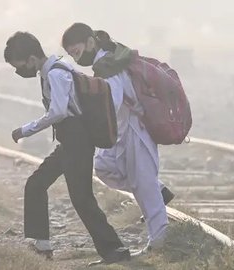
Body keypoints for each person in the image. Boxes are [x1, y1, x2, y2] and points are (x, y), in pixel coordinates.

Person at [4, 31, 130, 264]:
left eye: (20, 66)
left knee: (81, 198)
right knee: (36, 184)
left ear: (32, 59)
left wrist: (26, 130)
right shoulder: (53, 69)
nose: (20, 71)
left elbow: (59, 111)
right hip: (70, 141)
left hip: (77, 140)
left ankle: (115, 250)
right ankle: (41, 246)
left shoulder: (55, 74)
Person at [61, 23, 174, 252]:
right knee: (104, 166)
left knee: (144, 184)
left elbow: (112, 101)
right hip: (123, 130)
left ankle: (161, 242)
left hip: (135, 129)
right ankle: (159, 192)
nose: (76, 57)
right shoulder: (106, 61)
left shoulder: (107, 66)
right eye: (72, 54)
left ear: (90, 43)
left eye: (77, 51)